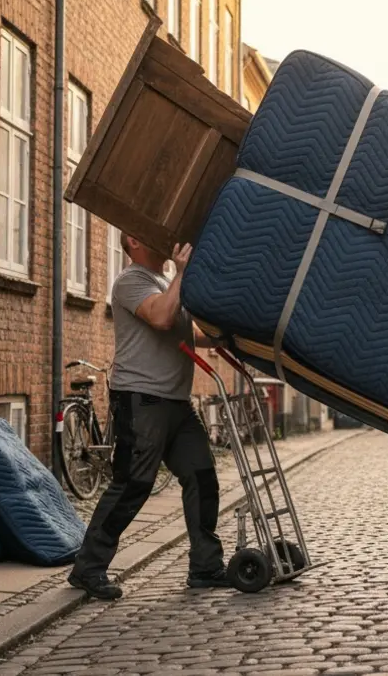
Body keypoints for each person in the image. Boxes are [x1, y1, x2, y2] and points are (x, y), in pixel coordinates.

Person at [68, 235, 229, 600]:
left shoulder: (165, 282)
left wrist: (223, 339)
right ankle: (88, 568)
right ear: (134, 241)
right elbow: (161, 317)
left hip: (177, 403)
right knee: (133, 483)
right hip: (141, 401)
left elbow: (186, 330)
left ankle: (205, 566)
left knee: (202, 476)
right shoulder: (131, 281)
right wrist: (182, 273)